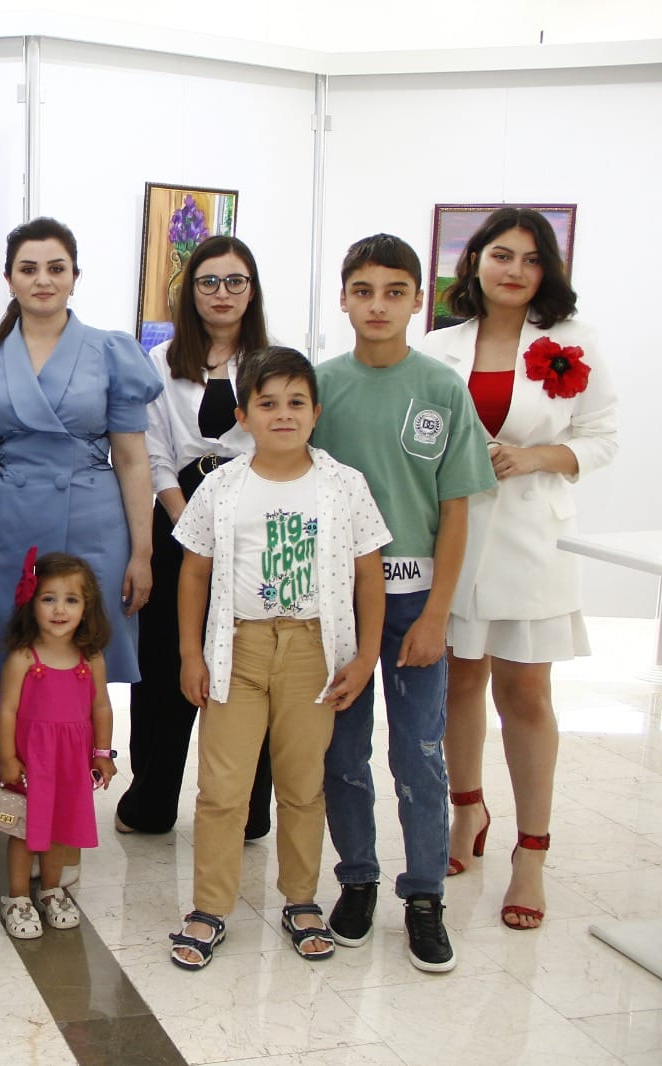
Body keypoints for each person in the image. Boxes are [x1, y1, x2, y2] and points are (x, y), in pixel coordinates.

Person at [422, 208, 618, 930]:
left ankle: (531, 850)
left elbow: (602, 437)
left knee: (526, 693)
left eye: (532, 259)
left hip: (533, 536)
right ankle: (466, 811)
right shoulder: (439, 345)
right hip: (456, 535)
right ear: (475, 260)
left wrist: (536, 457)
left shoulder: (573, 342)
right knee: (458, 681)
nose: (515, 270)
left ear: (548, 271)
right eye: (501, 255)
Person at [166, 347, 390, 970]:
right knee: (222, 789)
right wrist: (190, 653)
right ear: (244, 416)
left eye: (296, 402)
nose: (283, 414)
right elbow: (194, 572)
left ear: (316, 412)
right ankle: (209, 907)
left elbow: (369, 576)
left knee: (302, 785)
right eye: (267, 404)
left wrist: (366, 656)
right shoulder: (222, 485)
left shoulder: (344, 485)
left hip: (313, 652)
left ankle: (301, 899)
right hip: (237, 649)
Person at [311, 234, 496, 973]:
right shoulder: (321, 387)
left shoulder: (443, 389)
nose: (378, 306)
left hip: (416, 599)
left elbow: (456, 510)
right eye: (364, 291)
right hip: (338, 604)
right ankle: (357, 879)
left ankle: (424, 896)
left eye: (394, 292)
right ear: (344, 298)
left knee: (419, 752)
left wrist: (437, 614)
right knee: (342, 750)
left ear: (419, 300)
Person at [0, 216, 162, 707]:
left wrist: (142, 553)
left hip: (94, 525)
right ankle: (16, 758)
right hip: (5, 524)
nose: (43, 280)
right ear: (9, 279)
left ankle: (78, 758)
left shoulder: (113, 352)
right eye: (28, 269)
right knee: (13, 663)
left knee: (86, 665)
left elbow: (132, 459)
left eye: (56, 268)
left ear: (75, 277)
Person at [118, 236, 275, 839]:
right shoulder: (159, 362)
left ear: (251, 291)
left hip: (256, 523)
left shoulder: (272, 359)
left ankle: (249, 807)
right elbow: (153, 452)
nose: (222, 293)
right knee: (164, 662)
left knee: (250, 659)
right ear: (190, 292)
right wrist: (189, 525)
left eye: (235, 281)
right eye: (209, 281)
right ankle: (151, 798)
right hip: (177, 518)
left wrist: (233, 528)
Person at [0, 552, 115, 940]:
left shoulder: (90, 658)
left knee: (59, 829)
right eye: (49, 598)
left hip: (70, 762)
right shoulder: (23, 657)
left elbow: (101, 705)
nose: (60, 609)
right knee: (22, 830)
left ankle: (51, 890)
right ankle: (16, 897)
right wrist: (8, 757)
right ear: (31, 603)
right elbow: (7, 710)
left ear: (86, 606)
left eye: (71, 600)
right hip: (31, 761)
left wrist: (102, 753)